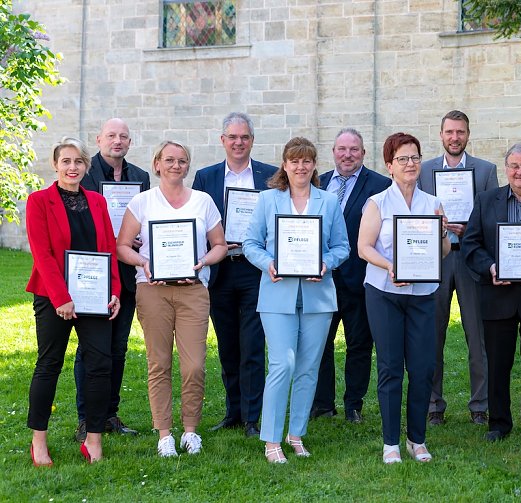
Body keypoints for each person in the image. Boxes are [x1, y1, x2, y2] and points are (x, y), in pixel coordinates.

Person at [117, 140, 228, 457]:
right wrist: (143, 262)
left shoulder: (203, 201)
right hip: (153, 290)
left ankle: (190, 431)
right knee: (159, 363)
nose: (175, 165)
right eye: (169, 160)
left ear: (187, 166)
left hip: (193, 290)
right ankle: (164, 433)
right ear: (157, 164)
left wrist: (204, 261)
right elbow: (123, 245)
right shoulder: (142, 202)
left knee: (194, 366)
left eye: (182, 160)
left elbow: (219, 244)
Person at [243, 137, 349, 464]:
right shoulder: (267, 200)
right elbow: (250, 243)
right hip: (277, 294)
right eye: (294, 161)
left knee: (308, 368)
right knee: (282, 363)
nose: (300, 167)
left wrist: (326, 263)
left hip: (318, 296)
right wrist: (268, 264)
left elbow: (342, 247)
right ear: (284, 165)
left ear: (314, 165)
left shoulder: (329, 202)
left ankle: (296, 434)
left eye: (306, 161)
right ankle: (272, 440)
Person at [26, 137, 121, 465]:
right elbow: (43, 254)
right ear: (55, 165)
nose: (72, 167)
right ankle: (39, 441)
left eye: (78, 162)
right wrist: (61, 298)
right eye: (65, 161)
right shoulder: (39, 201)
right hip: (53, 297)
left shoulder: (97, 201)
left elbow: (108, 249)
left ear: (86, 165)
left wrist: (115, 292)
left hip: (95, 296)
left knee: (99, 365)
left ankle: (93, 440)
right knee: (49, 365)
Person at [358, 132, 451, 464]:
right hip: (384, 293)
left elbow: (443, 251)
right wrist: (390, 265)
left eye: (415, 158)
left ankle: (417, 439)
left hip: (423, 294)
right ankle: (390, 443)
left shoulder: (433, 203)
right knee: (390, 367)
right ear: (389, 166)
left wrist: (441, 232)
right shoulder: (378, 203)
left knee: (424, 367)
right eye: (402, 159)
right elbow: (364, 247)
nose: (410, 164)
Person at [192, 112, 277, 438]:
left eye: (244, 137)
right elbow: (198, 221)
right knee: (228, 345)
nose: (238, 142)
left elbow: (277, 220)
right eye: (232, 137)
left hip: (256, 270)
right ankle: (234, 412)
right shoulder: (206, 176)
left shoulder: (270, 175)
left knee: (253, 344)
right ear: (223, 140)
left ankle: (253, 417)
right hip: (220, 270)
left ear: (252, 140)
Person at [461, 142, 521, 442]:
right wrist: (490, 267)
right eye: (514, 165)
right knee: (498, 364)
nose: (520, 171)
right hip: (496, 295)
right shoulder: (487, 200)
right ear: (506, 168)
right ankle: (499, 423)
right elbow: (471, 245)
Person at [418, 110, 498, 426]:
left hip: (470, 259)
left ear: (468, 134)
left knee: (477, 335)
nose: (455, 137)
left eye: (460, 132)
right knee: (432, 334)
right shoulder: (425, 172)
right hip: (435, 259)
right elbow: (415, 214)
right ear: (441, 135)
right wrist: (434, 226)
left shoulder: (485, 171)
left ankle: (480, 404)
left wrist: (472, 227)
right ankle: (434, 405)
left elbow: (492, 220)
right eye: (449, 132)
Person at [74, 118, 149, 443]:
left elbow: (145, 221)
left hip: (127, 276)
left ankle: (109, 413)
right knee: (91, 349)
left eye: (123, 137)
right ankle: (85, 418)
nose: (117, 141)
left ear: (129, 143)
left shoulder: (140, 177)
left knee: (117, 348)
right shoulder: (84, 175)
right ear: (99, 139)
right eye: (111, 136)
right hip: (92, 273)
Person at [311, 128, 391, 423]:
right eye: (342, 149)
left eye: (354, 149)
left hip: (359, 278)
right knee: (320, 342)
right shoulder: (317, 183)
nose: (347, 155)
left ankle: (353, 405)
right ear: (333, 152)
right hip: (321, 278)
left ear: (363, 153)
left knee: (360, 343)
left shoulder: (380, 185)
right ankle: (322, 403)